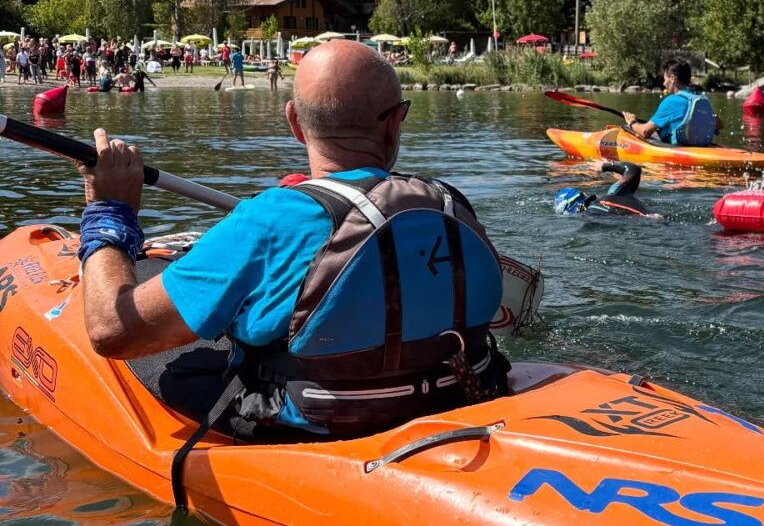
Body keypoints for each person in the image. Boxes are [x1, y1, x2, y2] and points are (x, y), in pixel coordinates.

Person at [72, 40, 509, 439]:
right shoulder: (450, 204)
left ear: (295, 123)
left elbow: (113, 332)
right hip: (449, 397)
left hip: (314, 427)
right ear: (395, 123)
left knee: (176, 356)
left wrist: (110, 211)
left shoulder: (265, 222)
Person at [622, 58, 721, 146]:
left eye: (665, 79)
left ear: (672, 78)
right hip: (701, 147)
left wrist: (632, 123)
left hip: (680, 150)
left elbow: (644, 131)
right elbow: (719, 125)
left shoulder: (671, 101)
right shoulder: (700, 98)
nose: (664, 83)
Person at [553, 161, 657, 217]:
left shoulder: (589, 216)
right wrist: (605, 165)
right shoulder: (615, 192)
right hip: (664, 220)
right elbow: (633, 169)